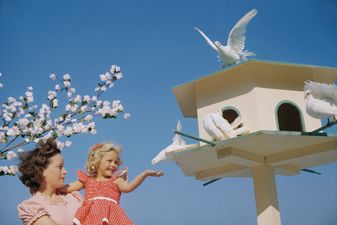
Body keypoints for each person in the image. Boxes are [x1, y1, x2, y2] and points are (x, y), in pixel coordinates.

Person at [62, 142, 164, 225]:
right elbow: (67, 188)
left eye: (116, 162)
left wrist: (144, 174)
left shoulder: (116, 179)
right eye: (109, 161)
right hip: (91, 218)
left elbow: (129, 187)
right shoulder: (87, 180)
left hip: (112, 217)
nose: (113, 165)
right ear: (97, 161)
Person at [17, 138, 82, 225]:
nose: (65, 171)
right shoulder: (32, 207)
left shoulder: (74, 197)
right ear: (42, 170)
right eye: (60, 167)